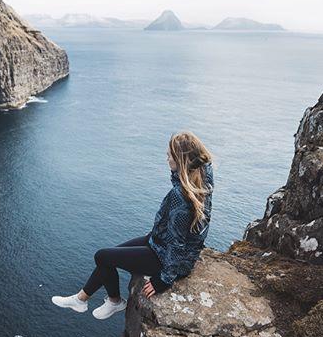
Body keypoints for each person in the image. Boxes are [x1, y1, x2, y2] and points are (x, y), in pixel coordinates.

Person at [51, 131, 214, 320]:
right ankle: (81, 299)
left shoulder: (181, 195)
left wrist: (164, 280)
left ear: (181, 160)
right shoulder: (204, 175)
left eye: (170, 155)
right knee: (108, 255)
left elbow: (177, 244)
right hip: (160, 241)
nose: (166, 159)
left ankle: (114, 301)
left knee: (102, 256)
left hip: (164, 256)